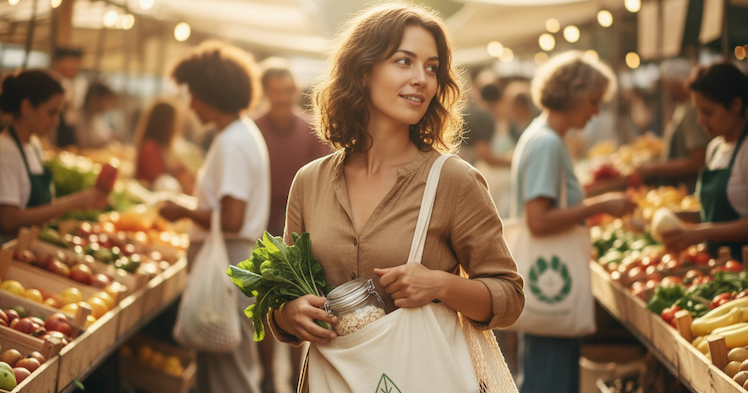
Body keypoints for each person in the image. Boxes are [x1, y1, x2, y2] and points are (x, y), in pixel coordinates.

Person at [267, 3, 525, 392]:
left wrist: (441, 286)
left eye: (432, 67)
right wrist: (288, 315)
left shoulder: (454, 181)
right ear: (364, 71)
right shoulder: (310, 182)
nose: (422, 78)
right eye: (404, 61)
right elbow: (281, 295)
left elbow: (509, 296)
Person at [511, 51, 637, 393]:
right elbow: (538, 220)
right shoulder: (547, 143)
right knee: (547, 379)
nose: (596, 111)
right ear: (575, 96)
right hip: (550, 274)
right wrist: (600, 204)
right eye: (594, 101)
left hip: (547, 274)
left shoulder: (542, 136)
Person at [157, 41, 270, 393]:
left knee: (230, 375)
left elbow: (232, 218)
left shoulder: (233, 142)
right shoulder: (237, 134)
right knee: (216, 368)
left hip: (229, 261)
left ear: (211, 92)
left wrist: (181, 209)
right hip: (231, 259)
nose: (190, 106)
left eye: (193, 95)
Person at [253, 59, 329, 393]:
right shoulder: (253, 129)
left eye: (288, 90)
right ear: (265, 92)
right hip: (262, 229)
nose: (283, 97)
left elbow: (325, 179)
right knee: (267, 307)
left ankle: (301, 379)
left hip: (304, 234)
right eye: (276, 91)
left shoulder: (311, 129)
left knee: (306, 308)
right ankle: (269, 378)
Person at [0, 69, 108, 244]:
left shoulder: (34, 145)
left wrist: (81, 202)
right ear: (26, 106)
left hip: (28, 247)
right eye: (51, 113)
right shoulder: (6, 150)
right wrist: (72, 203)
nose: (57, 121)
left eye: (59, 113)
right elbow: (8, 220)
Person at [662, 62, 748, 261]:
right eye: (698, 112)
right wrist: (679, 216)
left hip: (744, 268)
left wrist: (701, 233)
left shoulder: (747, 150)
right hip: (718, 266)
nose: (700, 121)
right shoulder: (715, 148)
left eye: (708, 112)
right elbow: (713, 213)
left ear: (736, 105)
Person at [635, 58, 710, 192]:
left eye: (667, 82)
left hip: (688, 192)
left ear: (678, 82)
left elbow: (697, 161)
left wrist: (655, 168)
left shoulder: (693, 111)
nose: (666, 87)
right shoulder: (682, 108)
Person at [134, 100, 199, 195]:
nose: (178, 126)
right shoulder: (150, 148)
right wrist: (177, 175)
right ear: (165, 123)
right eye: (175, 121)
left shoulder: (161, 147)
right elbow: (156, 181)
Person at [51, 47, 86, 147]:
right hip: (55, 128)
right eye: (70, 65)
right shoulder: (53, 83)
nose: (74, 68)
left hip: (71, 128)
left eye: (76, 65)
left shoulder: (80, 84)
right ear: (59, 64)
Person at [75, 82, 118, 149]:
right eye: (106, 100)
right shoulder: (81, 117)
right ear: (95, 98)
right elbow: (84, 144)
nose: (108, 104)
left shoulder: (97, 116)